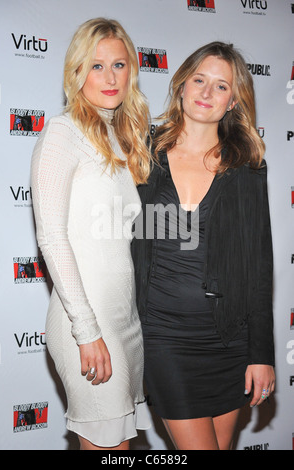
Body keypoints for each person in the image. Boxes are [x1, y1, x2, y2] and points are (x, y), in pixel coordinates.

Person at [132, 41, 275, 450]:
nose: (206, 93)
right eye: (199, 80)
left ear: (233, 102)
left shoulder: (247, 166)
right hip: (164, 334)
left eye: (221, 86)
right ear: (181, 84)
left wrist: (260, 353)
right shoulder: (143, 152)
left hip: (229, 337)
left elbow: (259, 264)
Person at [31, 18, 152, 450]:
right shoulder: (63, 133)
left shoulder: (121, 138)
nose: (110, 76)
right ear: (77, 71)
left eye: (119, 64)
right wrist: (86, 330)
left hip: (124, 319)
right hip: (85, 321)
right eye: (96, 65)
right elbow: (52, 237)